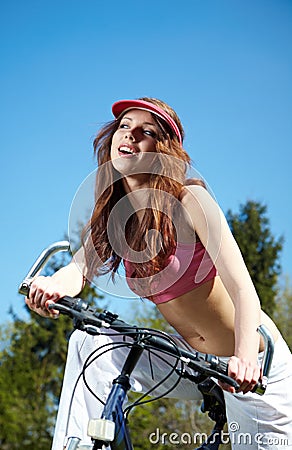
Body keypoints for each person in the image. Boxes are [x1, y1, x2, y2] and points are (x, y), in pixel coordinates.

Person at [26, 97, 292, 450]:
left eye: (145, 131)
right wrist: (50, 287)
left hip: (253, 364)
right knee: (91, 342)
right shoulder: (116, 220)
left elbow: (243, 289)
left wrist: (243, 359)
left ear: (163, 149)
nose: (130, 135)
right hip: (192, 361)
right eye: (124, 126)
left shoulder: (190, 200)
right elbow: (78, 269)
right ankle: (76, 445)